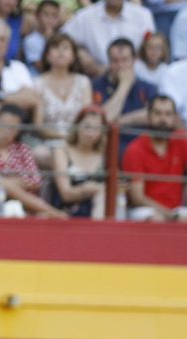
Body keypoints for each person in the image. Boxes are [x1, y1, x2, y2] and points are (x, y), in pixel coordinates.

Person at [122, 93, 187, 220]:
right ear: (148, 117)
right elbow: (138, 198)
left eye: (168, 114)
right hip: (145, 211)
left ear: (174, 118)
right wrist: (171, 215)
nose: (163, 119)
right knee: (157, 219)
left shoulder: (182, 139)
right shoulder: (134, 149)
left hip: (177, 209)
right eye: (158, 113)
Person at [0, 102, 66, 215]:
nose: (6, 131)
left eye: (12, 128)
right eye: (4, 125)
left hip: (27, 206)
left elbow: (36, 181)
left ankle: (46, 212)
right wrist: (15, 182)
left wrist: (10, 182)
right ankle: (53, 212)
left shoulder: (23, 149)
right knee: (3, 185)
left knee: (5, 184)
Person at [32, 32, 92, 165]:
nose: (60, 51)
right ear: (47, 55)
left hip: (79, 142)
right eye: (55, 47)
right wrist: (63, 136)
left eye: (65, 48)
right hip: (48, 144)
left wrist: (76, 138)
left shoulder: (83, 82)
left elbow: (88, 118)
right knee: (42, 154)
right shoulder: (37, 83)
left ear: (73, 56)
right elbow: (38, 125)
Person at [64, 0, 155, 78]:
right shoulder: (85, 16)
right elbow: (62, 39)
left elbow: (151, 46)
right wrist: (81, 53)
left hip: (135, 77)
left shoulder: (143, 15)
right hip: (96, 77)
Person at [53, 105, 112, 217]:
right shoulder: (61, 151)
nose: (90, 132)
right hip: (66, 213)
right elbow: (66, 193)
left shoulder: (106, 155)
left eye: (96, 128)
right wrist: (94, 189)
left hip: (98, 211)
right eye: (87, 126)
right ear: (77, 126)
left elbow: (115, 188)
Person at [93, 36, 159, 132]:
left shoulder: (149, 88)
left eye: (125, 60)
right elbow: (103, 119)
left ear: (134, 60)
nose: (120, 66)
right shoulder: (96, 86)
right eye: (115, 61)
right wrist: (124, 85)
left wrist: (121, 121)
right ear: (109, 62)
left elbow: (155, 116)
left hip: (139, 142)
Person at [23, 0, 63, 69]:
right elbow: (41, 67)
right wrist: (49, 40)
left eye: (54, 15)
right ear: (37, 16)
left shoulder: (63, 38)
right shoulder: (31, 40)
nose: (50, 19)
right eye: (46, 14)